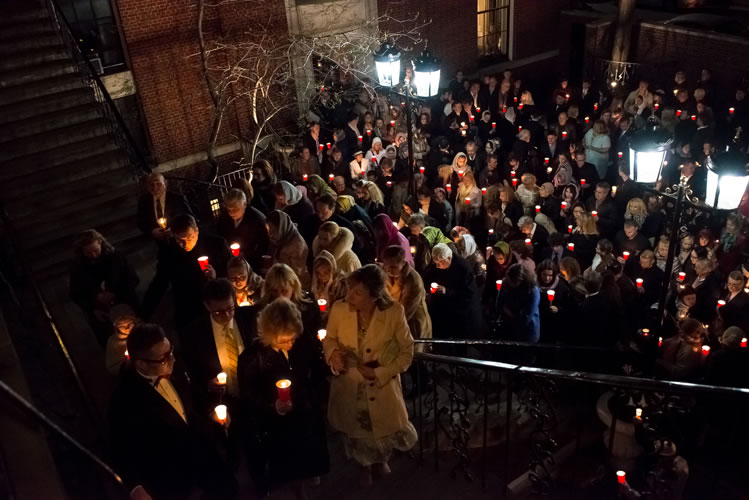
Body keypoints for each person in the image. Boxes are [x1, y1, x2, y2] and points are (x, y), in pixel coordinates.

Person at [109, 324, 236, 500]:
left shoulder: (175, 365)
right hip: (173, 477)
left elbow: (191, 400)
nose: (173, 359)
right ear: (141, 363)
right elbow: (121, 450)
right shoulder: (123, 400)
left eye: (171, 351)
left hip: (205, 456)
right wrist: (135, 487)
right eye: (164, 358)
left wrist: (210, 413)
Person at [323, 265, 417, 485]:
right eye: (350, 290)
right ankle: (363, 464)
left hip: (381, 386)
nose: (349, 297)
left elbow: (407, 351)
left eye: (357, 293)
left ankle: (380, 459)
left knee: (380, 427)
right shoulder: (339, 309)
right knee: (356, 427)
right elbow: (330, 339)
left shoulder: (393, 312)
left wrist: (380, 373)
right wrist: (333, 355)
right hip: (349, 382)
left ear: (374, 296)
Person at [238, 298, 330, 498]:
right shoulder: (252, 357)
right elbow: (249, 395)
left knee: (310, 451)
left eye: (293, 339)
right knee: (291, 461)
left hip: (306, 411)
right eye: (283, 340)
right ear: (268, 334)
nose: (289, 344)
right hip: (279, 423)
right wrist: (274, 406)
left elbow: (316, 368)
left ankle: (310, 471)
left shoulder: (302, 342)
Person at [141, 214, 232, 329]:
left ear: (196, 230)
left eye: (189, 238)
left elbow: (232, 273)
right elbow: (159, 283)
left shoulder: (217, 244)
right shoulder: (169, 252)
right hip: (186, 309)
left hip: (215, 306)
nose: (184, 244)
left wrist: (216, 278)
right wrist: (143, 314)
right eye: (179, 239)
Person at [70, 229, 139, 345]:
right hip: (100, 313)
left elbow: (133, 279)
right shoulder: (77, 268)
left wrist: (114, 293)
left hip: (126, 305)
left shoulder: (116, 257)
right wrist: (94, 301)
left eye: (96, 250)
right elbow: (75, 293)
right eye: (88, 253)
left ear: (100, 243)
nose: (93, 255)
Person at [423, 243, 482, 339]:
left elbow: (468, 294)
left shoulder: (463, 267)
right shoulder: (438, 261)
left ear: (449, 258)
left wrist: (447, 291)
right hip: (443, 309)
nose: (437, 266)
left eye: (440, 263)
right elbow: (428, 275)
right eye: (435, 263)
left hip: (460, 312)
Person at [381, 245, 432, 345]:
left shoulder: (413, 280)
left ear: (403, 263)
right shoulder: (387, 274)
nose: (389, 270)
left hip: (413, 323)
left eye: (393, 267)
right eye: (386, 266)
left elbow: (406, 310)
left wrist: (387, 327)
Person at [217, 188, 269, 271]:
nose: (232, 213)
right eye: (229, 209)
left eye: (236, 209)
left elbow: (264, 246)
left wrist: (246, 254)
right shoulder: (224, 217)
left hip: (252, 264)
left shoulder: (257, 220)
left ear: (244, 204)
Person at [136, 172, 191, 243]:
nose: (155, 188)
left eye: (158, 184)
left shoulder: (177, 198)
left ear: (165, 183)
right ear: (147, 186)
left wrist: (174, 230)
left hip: (179, 239)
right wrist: (152, 231)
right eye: (151, 185)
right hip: (157, 243)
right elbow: (141, 222)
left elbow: (189, 218)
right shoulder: (143, 201)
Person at [496, 263, 540, 343]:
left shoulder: (532, 290)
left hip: (527, 333)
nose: (511, 284)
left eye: (514, 282)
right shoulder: (506, 283)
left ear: (521, 279)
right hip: (508, 329)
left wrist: (510, 313)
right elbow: (499, 306)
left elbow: (525, 318)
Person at [267, 210, 310, 286]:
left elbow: (294, 276)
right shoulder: (281, 239)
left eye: (273, 230)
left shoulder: (297, 246)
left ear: (282, 228)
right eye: (268, 229)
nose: (269, 234)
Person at [104, 304, 137, 376]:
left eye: (130, 324)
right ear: (116, 327)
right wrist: (125, 365)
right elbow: (111, 367)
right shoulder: (113, 342)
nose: (127, 328)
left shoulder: (143, 331)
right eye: (121, 326)